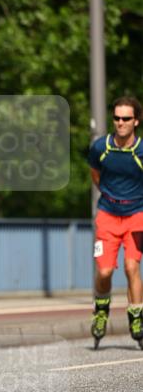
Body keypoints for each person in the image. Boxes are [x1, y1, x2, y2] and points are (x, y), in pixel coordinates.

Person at [87, 95, 143, 346]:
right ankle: (101, 310)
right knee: (105, 270)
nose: (120, 122)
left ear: (136, 121)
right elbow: (95, 175)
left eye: (126, 118)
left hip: (137, 215)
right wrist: (112, 197)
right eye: (117, 118)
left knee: (132, 267)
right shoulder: (101, 147)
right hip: (108, 215)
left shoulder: (141, 151)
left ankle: (136, 316)